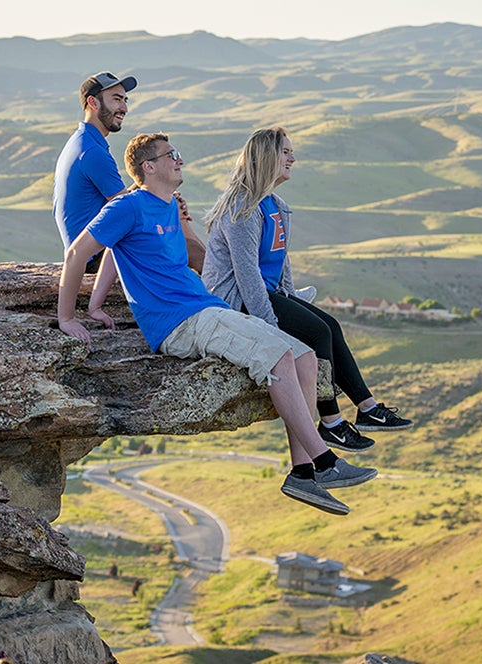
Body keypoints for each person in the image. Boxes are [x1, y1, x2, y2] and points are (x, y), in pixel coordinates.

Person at [57, 132, 378, 515]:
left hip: (205, 307)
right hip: (181, 321)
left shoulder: (164, 205)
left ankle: (303, 473)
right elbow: (79, 251)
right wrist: (66, 317)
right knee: (276, 358)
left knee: (304, 356)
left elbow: (122, 250)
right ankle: (327, 463)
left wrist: (97, 304)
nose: (180, 159)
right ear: (149, 166)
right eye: (171, 155)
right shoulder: (128, 206)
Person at [202, 127, 413, 453]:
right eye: (285, 152)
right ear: (267, 157)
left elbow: (279, 265)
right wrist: (269, 327)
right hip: (238, 301)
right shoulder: (241, 209)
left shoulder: (275, 205)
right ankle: (331, 423)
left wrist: (292, 299)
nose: (292, 158)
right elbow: (246, 276)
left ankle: (368, 408)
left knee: (330, 325)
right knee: (317, 333)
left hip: (267, 293)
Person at [53, 71, 206, 327]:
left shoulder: (84, 141)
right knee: (181, 241)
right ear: (93, 103)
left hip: (101, 243)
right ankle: (225, 294)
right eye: (116, 99)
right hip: (95, 254)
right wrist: (170, 208)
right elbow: (131, 209)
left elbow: (129, 201)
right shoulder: (92, 152)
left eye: (125, 100)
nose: (123, 107)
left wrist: (166, 200)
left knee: (171, 212)